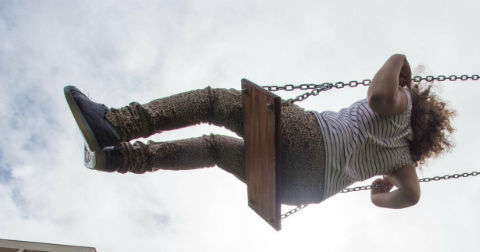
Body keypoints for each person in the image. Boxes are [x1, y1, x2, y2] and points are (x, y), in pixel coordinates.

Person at [64, 54, 454, 208]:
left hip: (312, 142)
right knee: (216, 149)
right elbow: (412, 196)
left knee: (215, 103)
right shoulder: (402, 160)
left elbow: (379, 98)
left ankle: (115, 124)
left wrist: (399, 60)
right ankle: (119, 159)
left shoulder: (402, 105)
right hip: (299, 190)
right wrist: (376, 199)